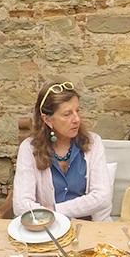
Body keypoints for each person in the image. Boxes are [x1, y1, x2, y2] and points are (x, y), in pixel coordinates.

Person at [14, 81, 112, 221]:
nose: (77, 119)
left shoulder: (93, 143)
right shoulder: (29, 148)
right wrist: (50, 217)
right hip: (48, 227)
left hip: (90, 227)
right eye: (67, 114)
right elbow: (21, 205)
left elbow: (103, 197)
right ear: (47, 120)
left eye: (77, 111)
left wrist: (55, 210)